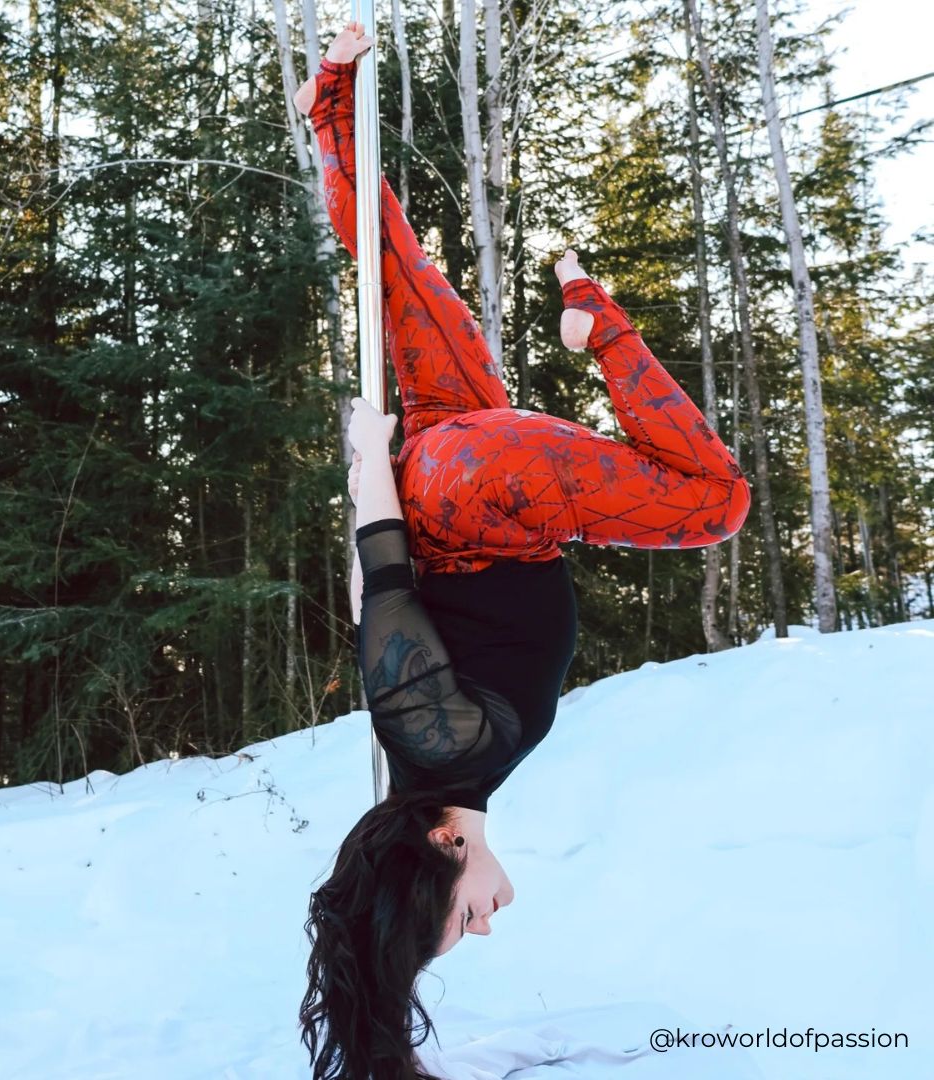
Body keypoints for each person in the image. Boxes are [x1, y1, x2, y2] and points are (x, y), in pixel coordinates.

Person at [296, 23, 750, 1080]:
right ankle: (336, 89)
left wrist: (368, 462)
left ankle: (601, 328)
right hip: (464, 468)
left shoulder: (440, 750)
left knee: (715, 503)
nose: (484, 928)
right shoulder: (438, 769)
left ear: (439, 866)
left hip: (480, 497)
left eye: (457, 929)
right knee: (396, 273)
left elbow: (383, 585)